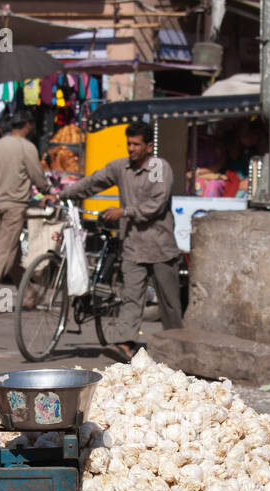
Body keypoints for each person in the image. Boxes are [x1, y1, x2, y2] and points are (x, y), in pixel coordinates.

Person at [57, 121, 182, 360]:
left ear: (149, 146)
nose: (131, 148)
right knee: (131, 297)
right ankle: (125, 344)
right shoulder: (121, 167)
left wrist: (124, 212)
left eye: (136, 144)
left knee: (170, 304)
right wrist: (63, 194)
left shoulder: (158, 167)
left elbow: (157, 203)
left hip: (160, 246)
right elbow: (93, 182)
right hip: (133, 246)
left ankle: (179, 349)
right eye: (129, 144)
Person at [0, 111, 49, 315]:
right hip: (15, 205)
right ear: (28, 125)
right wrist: (47, 190)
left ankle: (30, 293)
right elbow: (38, 176)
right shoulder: (27, 147)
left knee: (12, 255)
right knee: (3, 253)